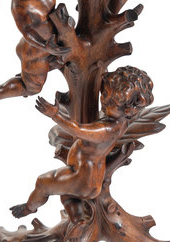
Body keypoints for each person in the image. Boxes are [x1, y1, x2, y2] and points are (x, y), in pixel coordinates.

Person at [10, 66, 154, 218]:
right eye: (104, 94)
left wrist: (55, 115)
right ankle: (79, 219)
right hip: (92, 179)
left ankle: (29, 208)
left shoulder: (107, 129)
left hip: (81, 177)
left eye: (111, 101)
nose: (103, 100)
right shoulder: (122, 121)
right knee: (66, 194)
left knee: (42, 183)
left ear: (128, 109)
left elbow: (78, 130)